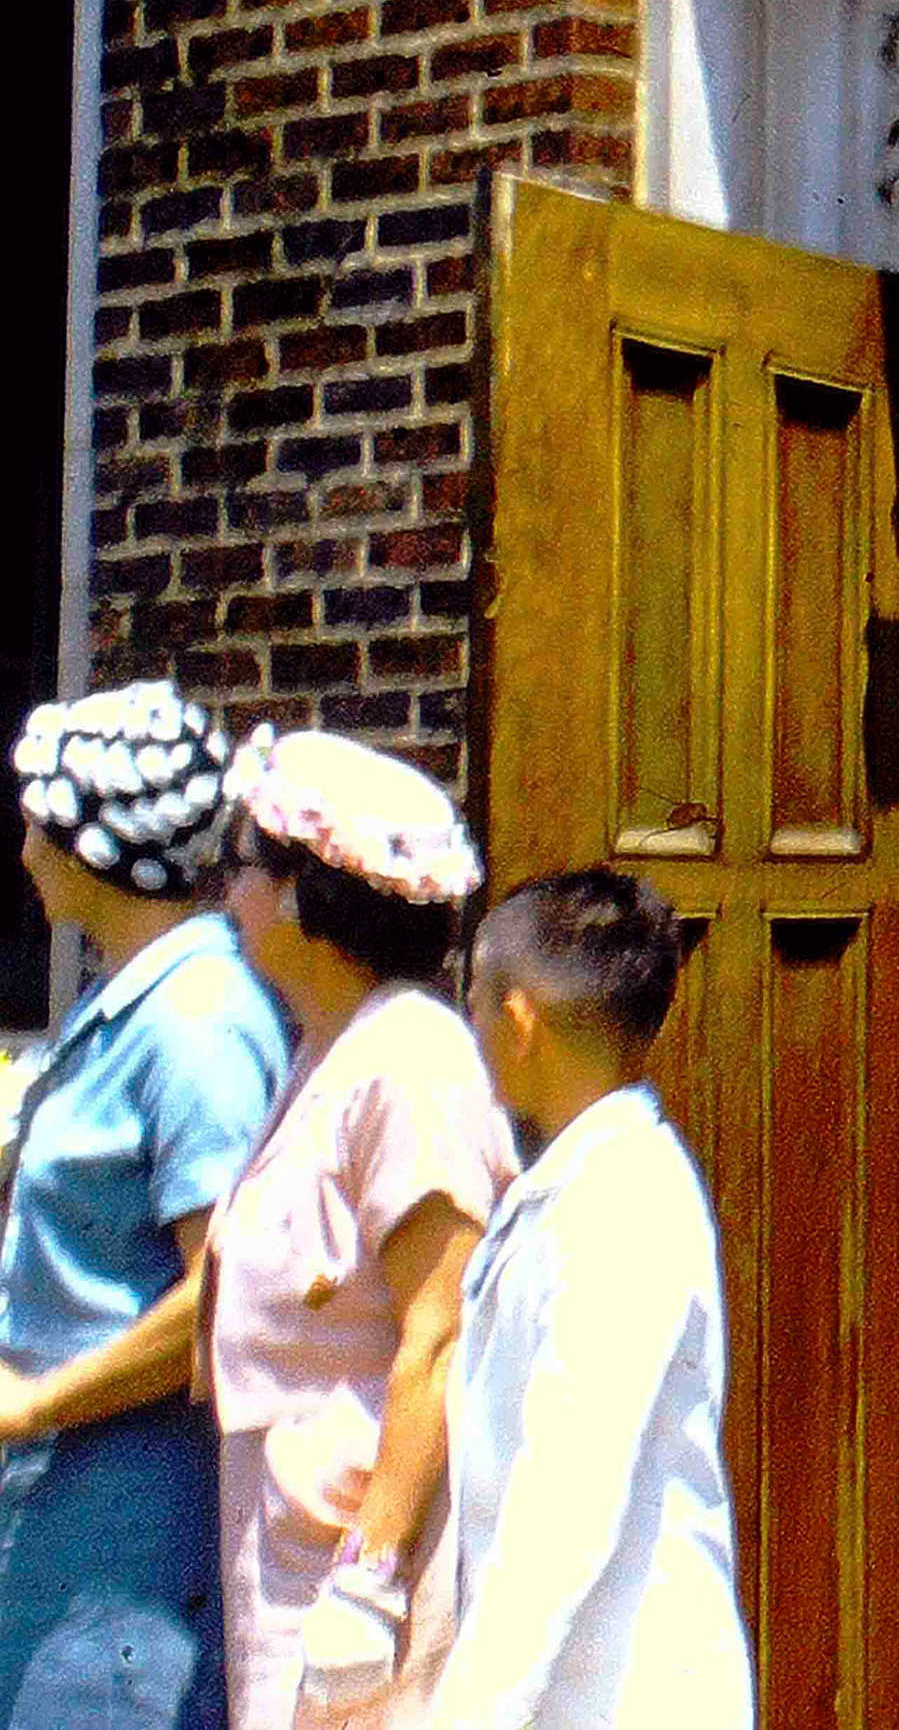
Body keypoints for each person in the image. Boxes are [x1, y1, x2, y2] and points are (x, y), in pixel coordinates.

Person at [203, 729, 515, 1730]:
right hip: (293, 1547)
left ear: (302, 891)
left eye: (242, 867)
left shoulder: (409, 1060)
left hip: (361, 1579)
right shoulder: (331, 1049)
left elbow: (441, 1329)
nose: (229, 895)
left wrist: (369, 1576)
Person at [0, 683, 283, 1730]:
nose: (24, 852)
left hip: (132, 1562)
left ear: (92, 845)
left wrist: (34, 1403)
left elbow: (225, 1298)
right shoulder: (133, 1005)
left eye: (39, 824)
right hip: (68, 1543)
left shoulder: (197, 1024)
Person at [432, 871, 750, 1729]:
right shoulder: (577, 1182)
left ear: (518, 1022)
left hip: (631, 1694)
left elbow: (567, 1492)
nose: (470, 1024)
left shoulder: (621, 1203)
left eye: (474, 1000)